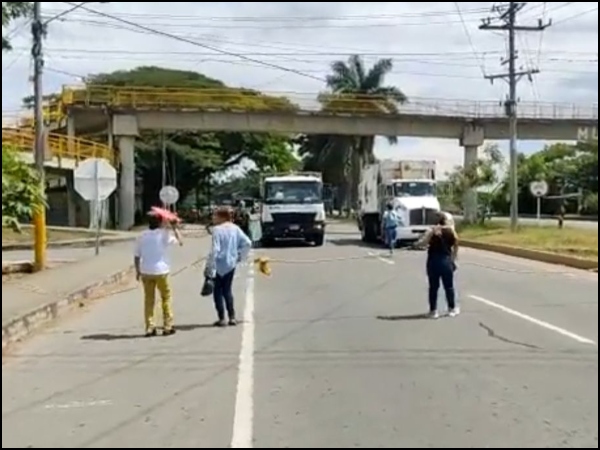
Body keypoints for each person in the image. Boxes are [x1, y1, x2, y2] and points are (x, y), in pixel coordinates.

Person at [134, 213, 183, 337]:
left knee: (149, 300)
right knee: (166, 298)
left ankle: (150, 327)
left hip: (146, 271)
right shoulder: (164, 234)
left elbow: (136, 255)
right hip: (162, 271)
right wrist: (174, 227)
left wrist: (138, 271)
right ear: (160, 222)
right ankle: (168, 326)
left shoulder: (141, 236)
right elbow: (180, 241)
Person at [205, 207, 252, 327]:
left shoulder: (217, 230)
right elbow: (247, 243)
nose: (213, 218)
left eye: (215, 216)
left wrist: (209, 265)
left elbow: (215, 249)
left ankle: (221, 318)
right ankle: (232, 317)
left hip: (218, 264)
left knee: (217, 292)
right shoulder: (235, 228)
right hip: (230, 264)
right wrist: (240, 256)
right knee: (227, 290)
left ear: (222, 217)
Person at [417, 212, 459, 319]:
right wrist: (453, 258)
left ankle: (433, 311)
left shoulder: (431, 230)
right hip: (446, 261)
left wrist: (431, 234)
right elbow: (456, 242)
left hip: (433, 261)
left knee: (433, 287)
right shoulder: (450, 230)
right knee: (449, 286)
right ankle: (452, 309)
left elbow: (423, 243)